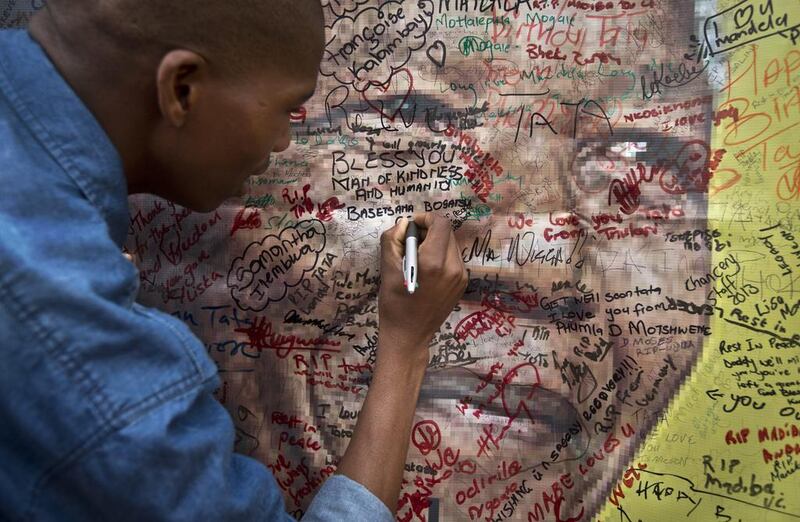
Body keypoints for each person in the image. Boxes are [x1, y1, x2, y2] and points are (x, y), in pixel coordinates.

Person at [0, 1, 467, 520]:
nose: (285, 140)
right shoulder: (76, 337)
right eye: (286, 108)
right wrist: (406, 346)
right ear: (182, 89)